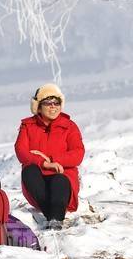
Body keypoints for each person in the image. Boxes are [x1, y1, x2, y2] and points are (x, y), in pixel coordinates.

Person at [14, 83, 85, 229]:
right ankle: (51, 214)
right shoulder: (28, 126)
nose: (53, 106)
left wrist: (53, 160)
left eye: (56, 102)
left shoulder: (69, 126)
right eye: (48, 102)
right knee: (29, 171)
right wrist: (44, 163)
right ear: (38, 106)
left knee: (59, 180)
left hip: (62, 177)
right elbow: (21, 151)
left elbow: (78, 153)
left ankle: (55, 219)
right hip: (38, 183)